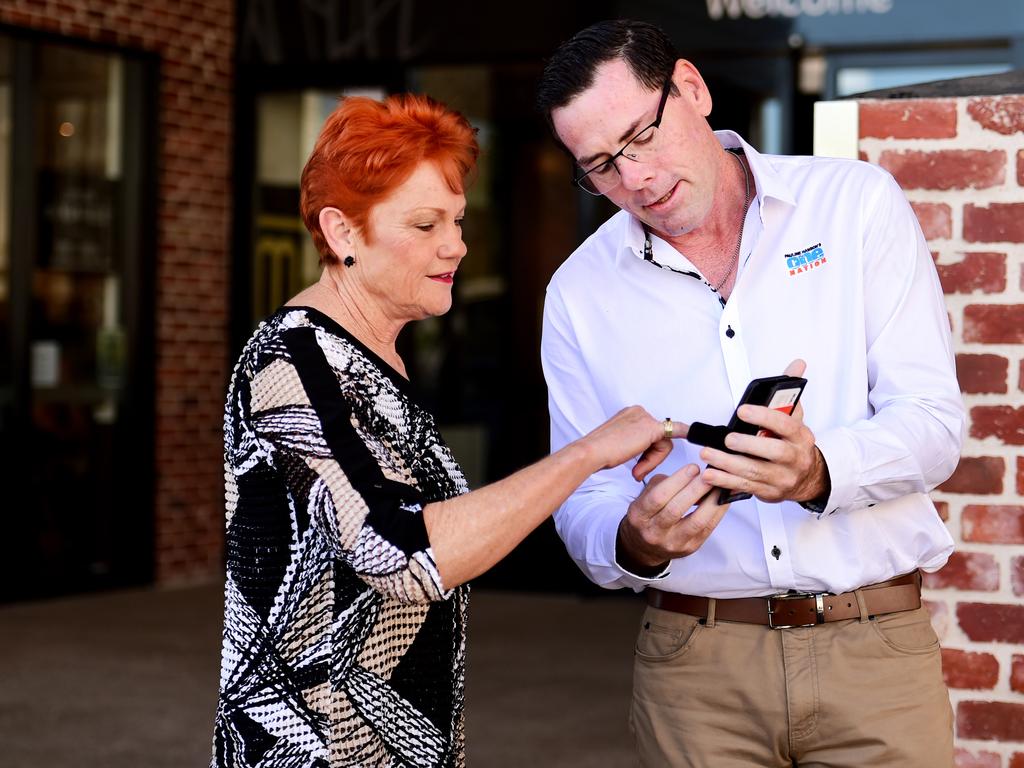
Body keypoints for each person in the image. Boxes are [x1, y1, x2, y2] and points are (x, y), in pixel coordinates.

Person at [210, 93, 694, 768]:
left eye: (459, 220)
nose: (456, 244)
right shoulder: (292, 363)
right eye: (424, 223)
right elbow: (401, 552)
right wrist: (586, 455)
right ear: (344, 233)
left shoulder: (373, 359)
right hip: (319, 749)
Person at [536, 19, 965, 768]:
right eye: (600, 165)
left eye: (641, 138)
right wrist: (634, 540)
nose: (633, 179)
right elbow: (580, 504)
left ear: (692, 90)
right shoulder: (577, 294)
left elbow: (933, 425)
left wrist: (819, 471)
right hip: (695, 670)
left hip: (876, 653)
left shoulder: (854, 204)